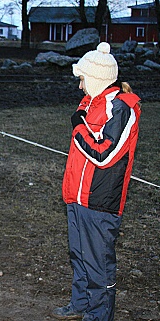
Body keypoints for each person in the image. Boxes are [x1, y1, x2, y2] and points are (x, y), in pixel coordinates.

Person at [52, 42, 141, 320]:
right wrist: (81, 119)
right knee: (79, 256)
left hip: (100, 201)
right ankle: (80, 305)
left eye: (82, 79)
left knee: (98, 266)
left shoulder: (123, 108)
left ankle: (98, 316)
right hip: (77, 197)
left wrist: (78, 125)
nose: (80, 86)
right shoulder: (90, 102)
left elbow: (104, 153)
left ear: (96, 78)